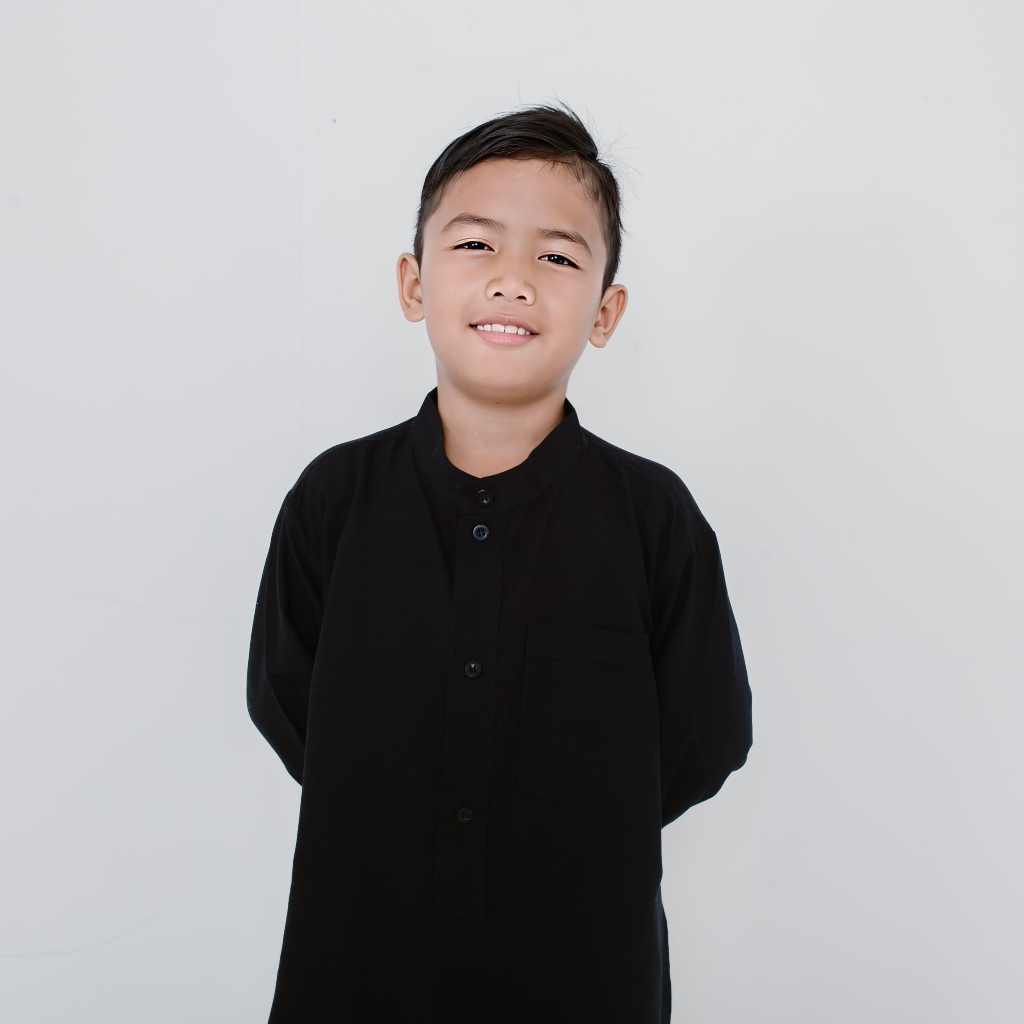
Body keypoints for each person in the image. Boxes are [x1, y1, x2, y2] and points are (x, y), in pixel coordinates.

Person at [247, 102, 752, 1023]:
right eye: (476, 245)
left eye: (556, 257)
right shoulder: (335, 499)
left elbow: (704, 736)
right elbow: (287, 701)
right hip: (358, 961)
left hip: (584, 971)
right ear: (414, 284)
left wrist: (574, 823)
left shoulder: (653, 517)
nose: (513, 280)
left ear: (606, 312)